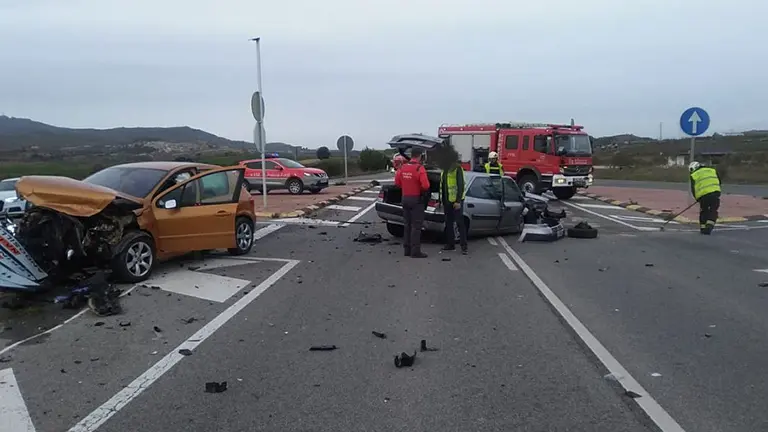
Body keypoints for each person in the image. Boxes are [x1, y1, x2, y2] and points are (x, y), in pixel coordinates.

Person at [395, 147, 430, 258]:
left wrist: (406, 186)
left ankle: (407, 250)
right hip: (416, 200)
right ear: (419, 156)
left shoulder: (403, 167)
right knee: (416, 227)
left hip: (405, 198)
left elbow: (397, 182)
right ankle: (415, 251)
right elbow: (426, 186)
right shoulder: (419, 168)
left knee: (407, 225)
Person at [440, 157, 468, 254]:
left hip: (456, 201)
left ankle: (464, 246)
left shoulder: (457, 169)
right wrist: (441, 200)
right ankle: (450, 244)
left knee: (460, 223)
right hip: (447, 201)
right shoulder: (444, 169)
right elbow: (443, 185)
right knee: (448, 223)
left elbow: (461, 186)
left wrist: (458, 201)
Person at [689, 161, 721, 235]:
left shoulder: (694, 175)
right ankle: (709, 225)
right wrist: (718, 191)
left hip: (703, 196)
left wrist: (697, 198)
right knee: (713, 209)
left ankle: (703, 228)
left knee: (704, 210)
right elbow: (718, 181)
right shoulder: (712, 170)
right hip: (715, 193)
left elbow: (693, 189)